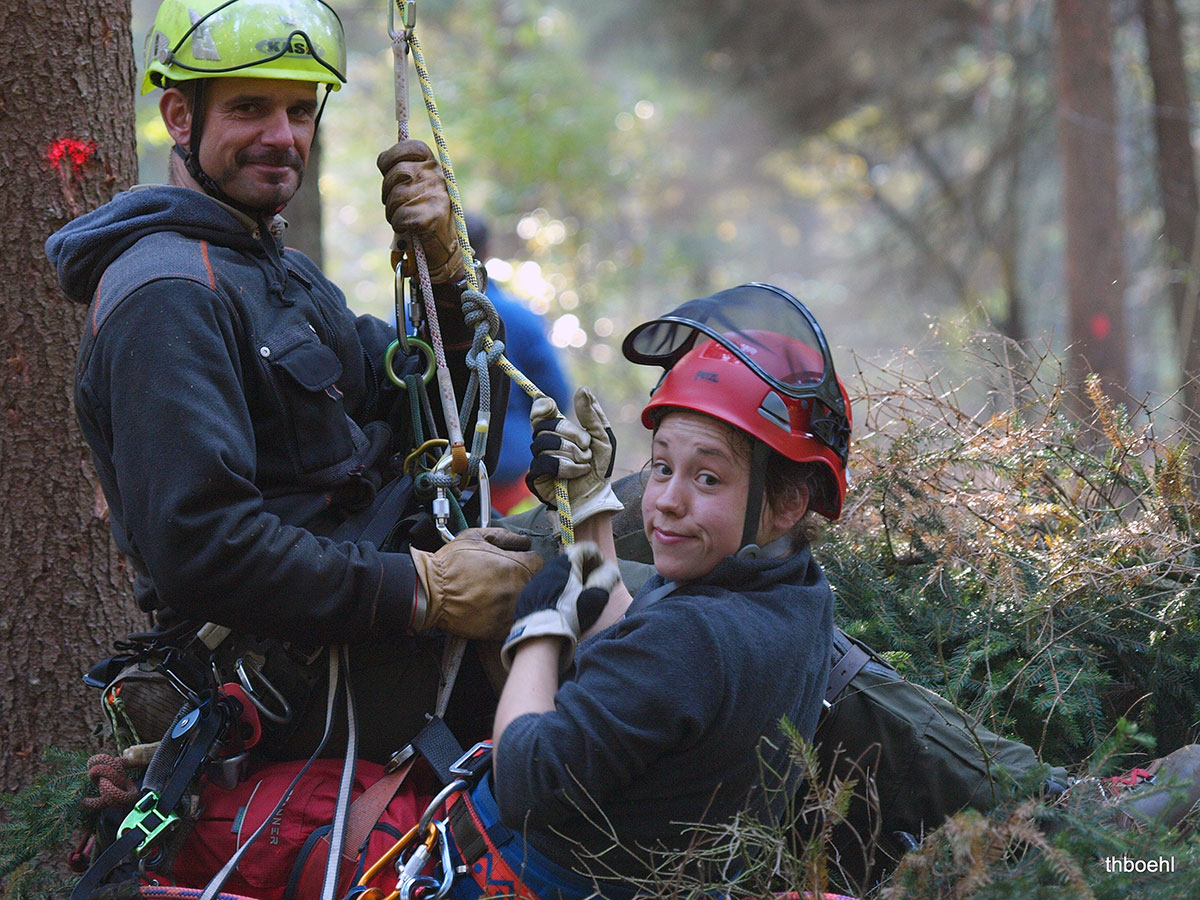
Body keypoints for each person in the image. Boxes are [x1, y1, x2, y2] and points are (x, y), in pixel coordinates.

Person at [44, 0, 543, 763]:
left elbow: (430, 428)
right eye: (250, 108)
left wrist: (445, 276)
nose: (283, 137)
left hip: (362, 637)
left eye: (300, 110)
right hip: (301, 676)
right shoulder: (168, 293)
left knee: (636, 539)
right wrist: (425, 590)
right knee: (632, 605)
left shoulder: (277, 274)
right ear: (180, 116)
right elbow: (207, 547)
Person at [438, 283, 848, 898]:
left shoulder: (695, 638)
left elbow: (525, 777)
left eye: (707, 477)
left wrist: (538, 636)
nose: (664, 502)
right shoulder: (796, 598)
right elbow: (647, 662)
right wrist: (593, 517)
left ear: (788, 500)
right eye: (661, 466)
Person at [463, 212, 572, 514]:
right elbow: (554, 396)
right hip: (513, 474)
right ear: (486, 252)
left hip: (440, 478)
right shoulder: (519, 317)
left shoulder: (409, 320)